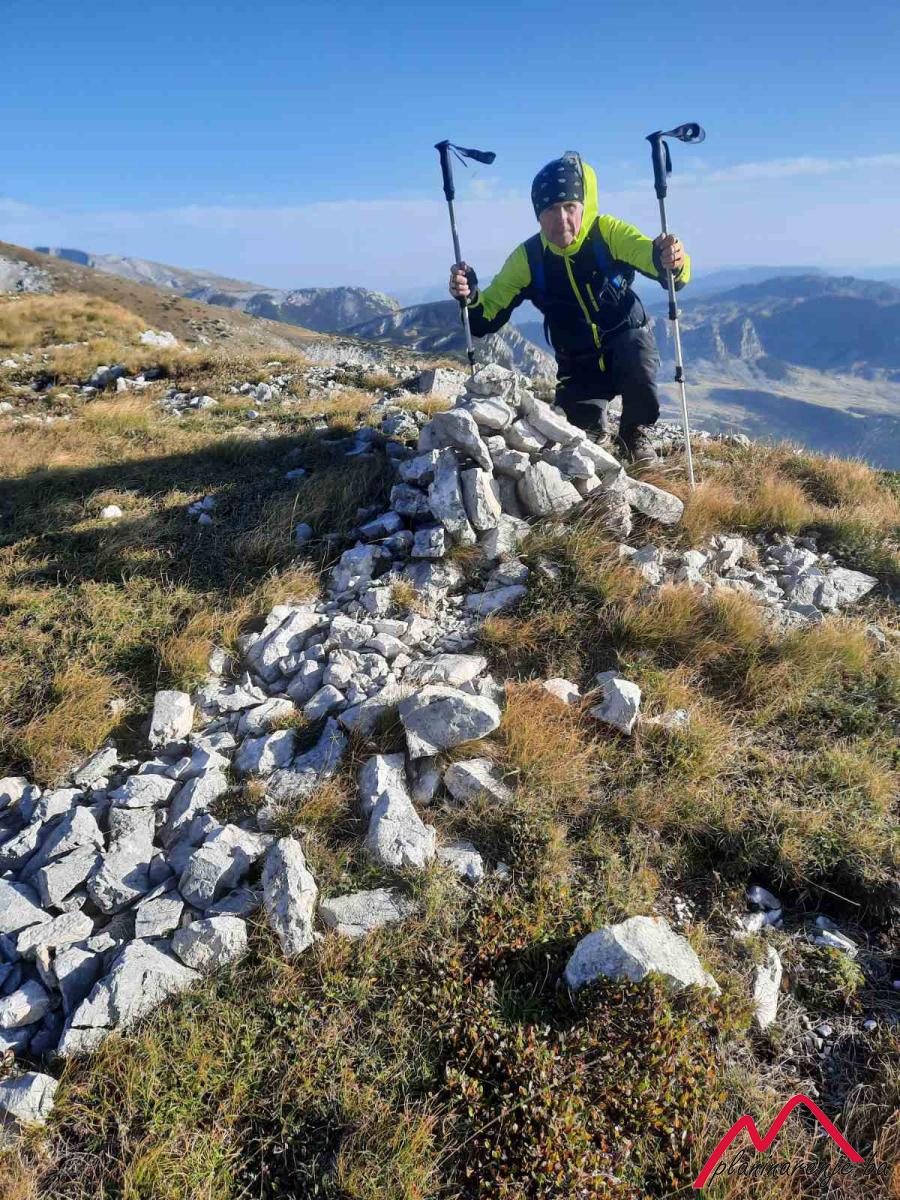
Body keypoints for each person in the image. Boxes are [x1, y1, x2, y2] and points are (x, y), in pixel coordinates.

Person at [449, 151, 690, 463]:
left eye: (569, 207)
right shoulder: (528, 259)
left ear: (583, 206)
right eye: (551, 209)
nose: (561, 218)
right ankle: (594, 431)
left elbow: (660, 266)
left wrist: (672, 260)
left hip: (626, 345)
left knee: (637, 356)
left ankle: (635, 433)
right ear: (538, 215)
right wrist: (469, 297)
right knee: (579, 442)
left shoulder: (608, 233)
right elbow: (485, 318)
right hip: (577, 364)